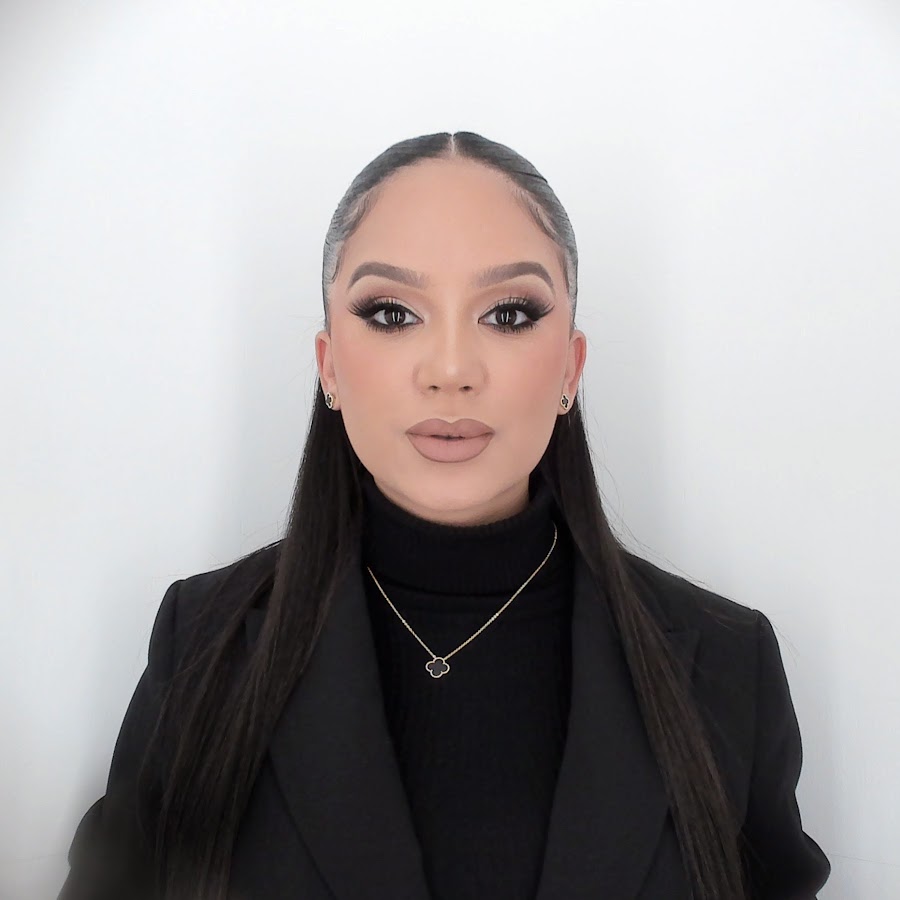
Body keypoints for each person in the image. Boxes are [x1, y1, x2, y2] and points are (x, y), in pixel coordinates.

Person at [58, 131, 831, 900]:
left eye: (509, 313)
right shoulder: (203, 645)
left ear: (571, 367)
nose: (452, 371)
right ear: (330, 367)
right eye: (393, 313)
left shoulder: (728, 668)